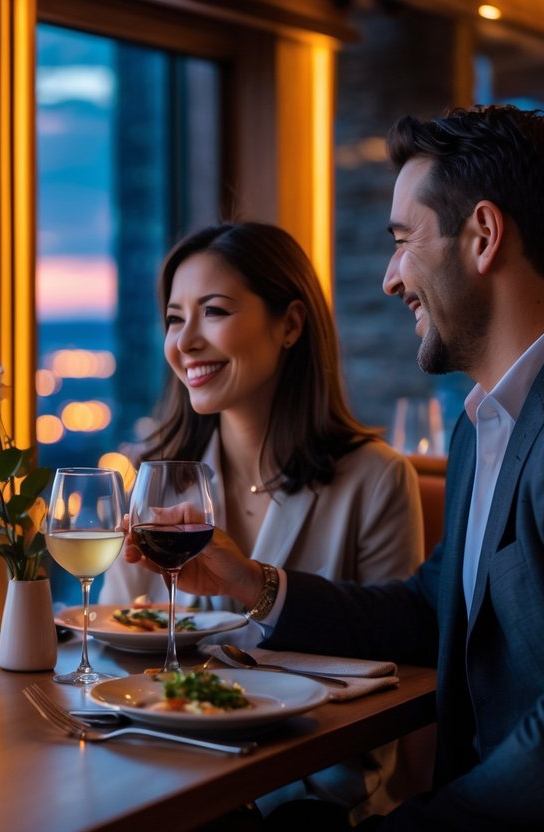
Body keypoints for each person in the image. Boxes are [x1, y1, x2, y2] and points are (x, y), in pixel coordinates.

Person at [123, 106, 544, 830]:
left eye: (404, 242)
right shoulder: (494, 421)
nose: (388, 279)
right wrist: (254, 584)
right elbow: (430, 611)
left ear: (482, 236)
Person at [100, 221, 425, 821]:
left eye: (213, 312)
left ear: (291, 325)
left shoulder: (376, 479)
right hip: (165, 774)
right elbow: (121, 639)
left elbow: (393, 674)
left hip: (312, 793)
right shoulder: (156, 477)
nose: (186, 341)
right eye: (174, 319)